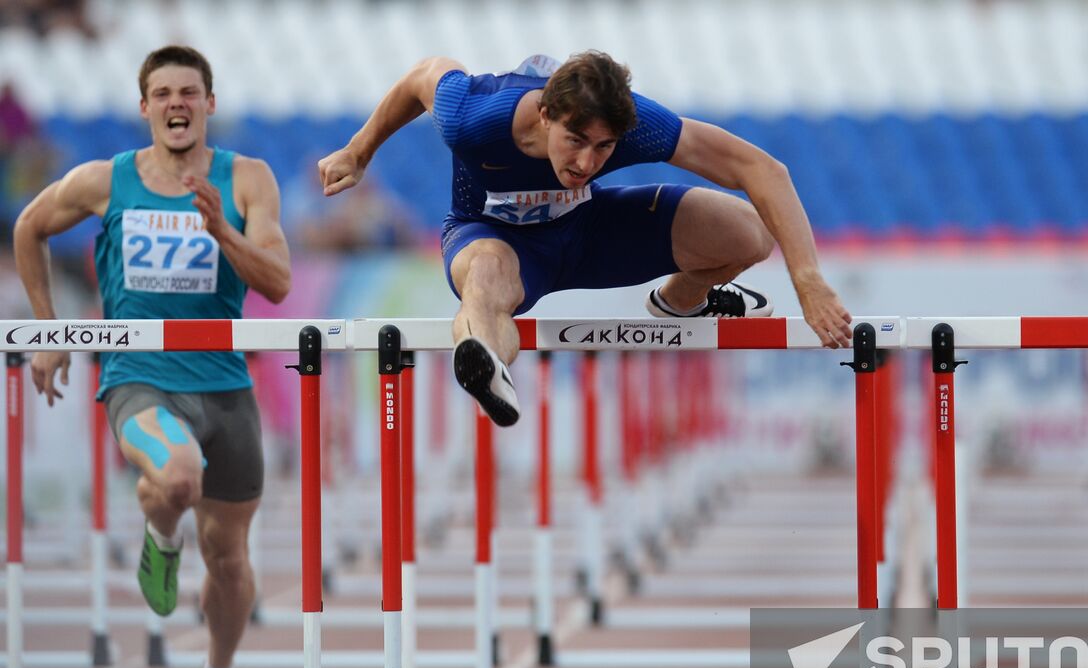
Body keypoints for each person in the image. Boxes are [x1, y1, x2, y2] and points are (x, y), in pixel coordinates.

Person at [318, 51, 854, 427]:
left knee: (748, 233)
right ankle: (489, 364)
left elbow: (761, 169)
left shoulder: (638, 123)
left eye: (603, 148)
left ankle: (680, 302)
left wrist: (808, 280)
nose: (586, 161)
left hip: (590, 230)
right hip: (498, 241)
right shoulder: (475, 116)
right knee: (485, 283)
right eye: (575, 141)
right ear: (546, 113)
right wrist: (358, 151)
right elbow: (421, 75)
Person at [12, 45, 291, 668]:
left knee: (230, 560)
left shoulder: (246, 179)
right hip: (139, 377)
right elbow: (29, 228)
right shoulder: (105, 181)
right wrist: (52, 332)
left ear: (208, 104)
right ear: (144, 108)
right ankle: (162, 536)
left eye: (189, 92)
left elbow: (279, 283)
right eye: (162, 93)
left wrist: (221, 228)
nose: (176, 104)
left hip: (226, 387)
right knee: (177, 477)